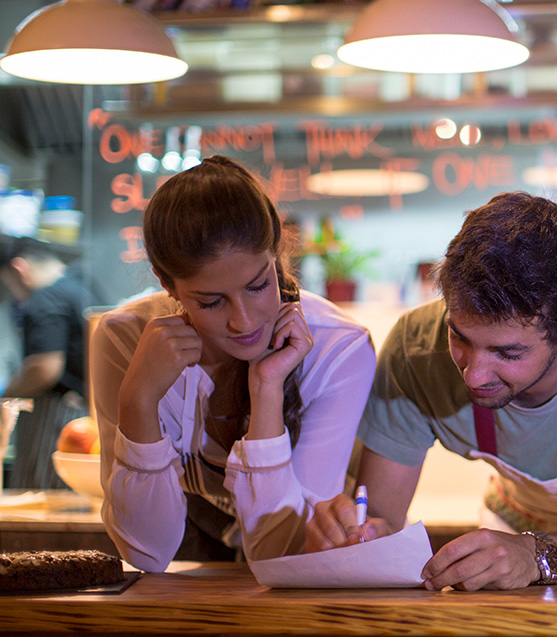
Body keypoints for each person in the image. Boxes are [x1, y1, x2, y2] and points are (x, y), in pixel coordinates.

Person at [306, 191, 557, 590]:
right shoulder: (414, 349)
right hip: (520, 519)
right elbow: (380, 515)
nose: (473, 375)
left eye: (506, 352)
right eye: (460, 337)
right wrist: (359, 534)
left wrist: (534, 556)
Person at [91, 156, 376, 572]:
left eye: (259, 285)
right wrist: (139, 398)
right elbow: (146, 552)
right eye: (210, 301)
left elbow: (281, 556)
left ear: (276, 255)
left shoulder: (338, 348)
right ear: (166, 283)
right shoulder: (124, 339)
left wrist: (267, 389)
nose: (242, 320)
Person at [0, 235, 98, 490]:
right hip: (87, 416)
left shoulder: (45, 298)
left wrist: (6, 391)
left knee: (38, 503)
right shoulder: (82, 287)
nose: (16, 295)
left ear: (19, 269)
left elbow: (45, 368)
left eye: (10, 286)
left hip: (57, 422)